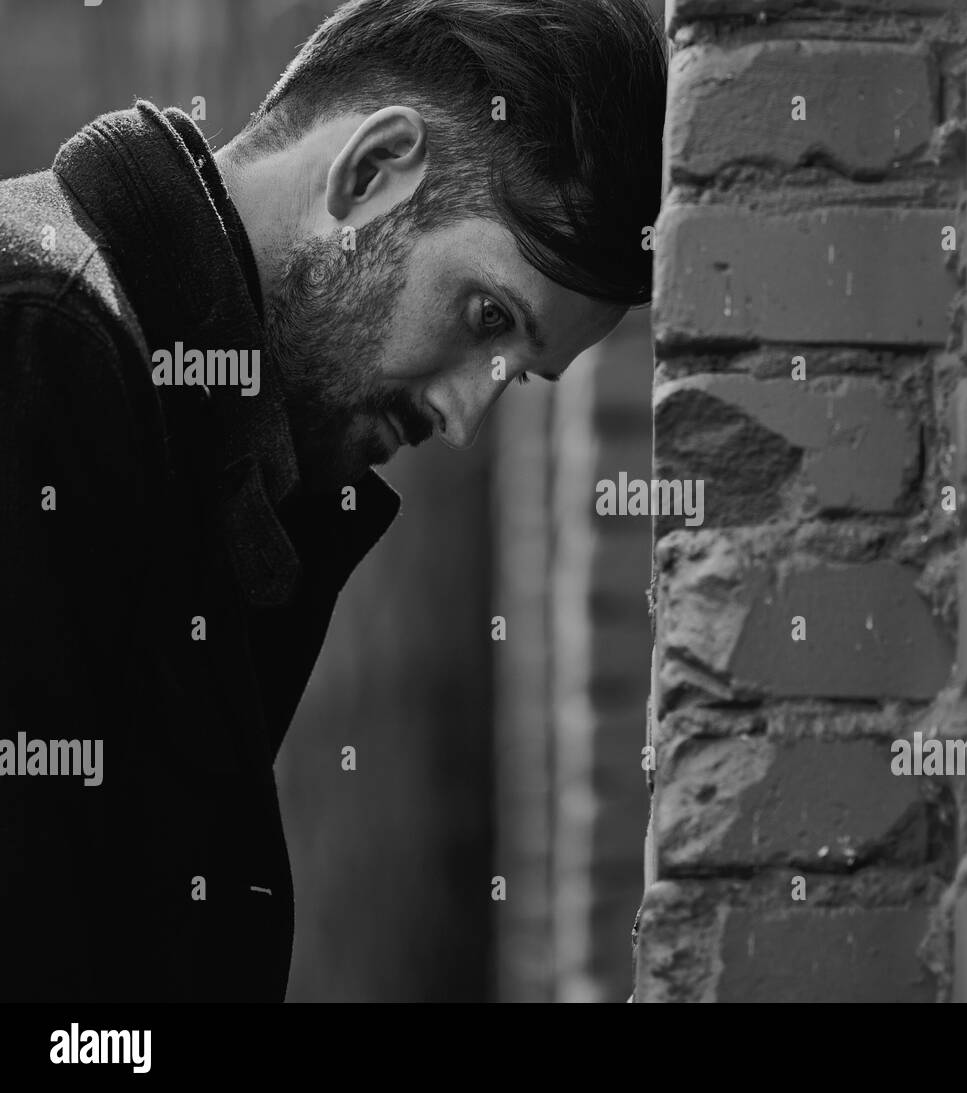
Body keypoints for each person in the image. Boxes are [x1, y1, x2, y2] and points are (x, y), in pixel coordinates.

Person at [0, 0, 665, 1001]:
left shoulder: (182, 424)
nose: (465, 418)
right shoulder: (44, 349)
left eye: (517, 374)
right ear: (371, 175)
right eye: (486, 318)